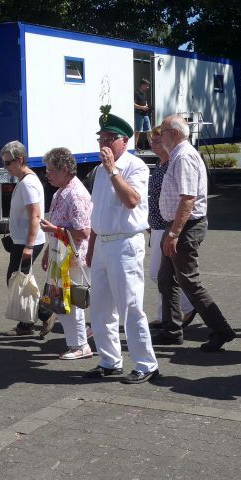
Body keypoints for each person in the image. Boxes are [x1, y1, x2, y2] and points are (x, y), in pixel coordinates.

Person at [85, 109, 160, 384]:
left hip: (125, 243)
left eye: (109, 138)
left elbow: (131, 201)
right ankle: (109, 361)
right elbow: (97, 212)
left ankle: (146, 364)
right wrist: (91, 247)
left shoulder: (135, 166)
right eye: (101, 138)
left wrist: (113, 171)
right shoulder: (98, 171)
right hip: (103, 243)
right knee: (100, 308)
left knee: (130, 306)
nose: (103, 144)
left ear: (124, 141)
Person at [154, 114, 236, 352]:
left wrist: (174, 234)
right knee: (166, 279)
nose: (159, 136)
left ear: (175, 134)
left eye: (163, 131)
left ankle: (221, 329)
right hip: (178, 225)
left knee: (188, 280)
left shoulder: (184, 157)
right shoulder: (178, 155)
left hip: (185, 226)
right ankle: (172, 330)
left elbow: (188, 199)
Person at [39, 147, 93, 360]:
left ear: (64, 169)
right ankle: (77, 343)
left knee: (71, 302)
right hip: (61, 255)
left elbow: (84, 232)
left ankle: (80, 345)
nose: (47, 174)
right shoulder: (61, 191)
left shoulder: (75, 194)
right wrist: (47, 251)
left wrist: (54, 230)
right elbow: (60, 226)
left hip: (73, 257)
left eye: (50, 170)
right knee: (61, 302)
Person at [0, 141, 54, 338]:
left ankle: (45, 314)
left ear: (20, 160)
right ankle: (27, 323)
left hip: (27, 241)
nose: (5, 167)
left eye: (8, 163)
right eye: (3, 162)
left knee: (19, 281)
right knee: (17, 280)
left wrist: (29, 246)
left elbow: (35, 216)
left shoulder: (28, 183)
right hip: (21, 240)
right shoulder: (23, 181)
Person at [145, 124, 194, 329]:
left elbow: (186, 197)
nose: (153, 144)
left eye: (157, 140)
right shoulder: (161, 164)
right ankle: (163, 314)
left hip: (165, 224)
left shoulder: (172, 164)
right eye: (152, 141)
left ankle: (188, 304)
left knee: (159, 273)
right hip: (157, 224)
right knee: (163, 274)